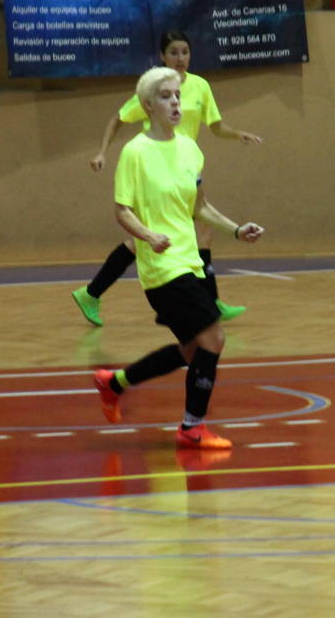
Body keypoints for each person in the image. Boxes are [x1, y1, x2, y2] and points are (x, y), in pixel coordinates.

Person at [92, 66, 264, 450]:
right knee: (214, 338)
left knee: (191, 350)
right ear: (147, 105)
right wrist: (149, 235)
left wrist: (236, 230)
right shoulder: (135, 153)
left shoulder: (190, 149)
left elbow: (200, 207)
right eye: (166, 96)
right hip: (161, 267)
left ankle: (114, 383)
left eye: (178, 96)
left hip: (190, 262)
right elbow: (122, 211)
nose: (176, 103)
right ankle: (192, 427)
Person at [72, 30, 263, 327]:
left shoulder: (199, 87)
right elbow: (117, 119)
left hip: (184, 165)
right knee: (147, 239)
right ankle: (100, 293)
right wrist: (102, 152)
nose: (180, 58)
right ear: (162, 56)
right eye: (173, 52)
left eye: (185, 51)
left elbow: (216, 125)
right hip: (156, 169)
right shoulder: (151, 93)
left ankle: (197, 300)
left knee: (197, 231)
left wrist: (237, 134)